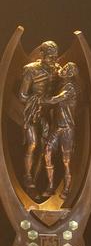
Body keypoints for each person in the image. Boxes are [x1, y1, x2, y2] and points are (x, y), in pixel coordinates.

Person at [18, 40, 60, 189]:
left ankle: (36, 179)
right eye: (50, 56)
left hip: (47, 114)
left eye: (55, 57)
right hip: (32, 112)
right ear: (41, 54)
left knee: (45, 148)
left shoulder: (57, 70)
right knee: (32, 143)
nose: (53, 60)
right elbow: (22, 95)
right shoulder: (31, 70)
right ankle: (27, 175)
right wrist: (40, 100)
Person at [41, 62, 79, 199]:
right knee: (47, 152)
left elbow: (55, 100)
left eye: (67, 68)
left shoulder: (70, 87)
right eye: (64, 67)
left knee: (66, 160)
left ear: (71, 73)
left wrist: (41, 98)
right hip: (56, 127)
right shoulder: (60, 85)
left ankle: (67, 188)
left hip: (67, 128)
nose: (63, 69)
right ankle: (50, 186)